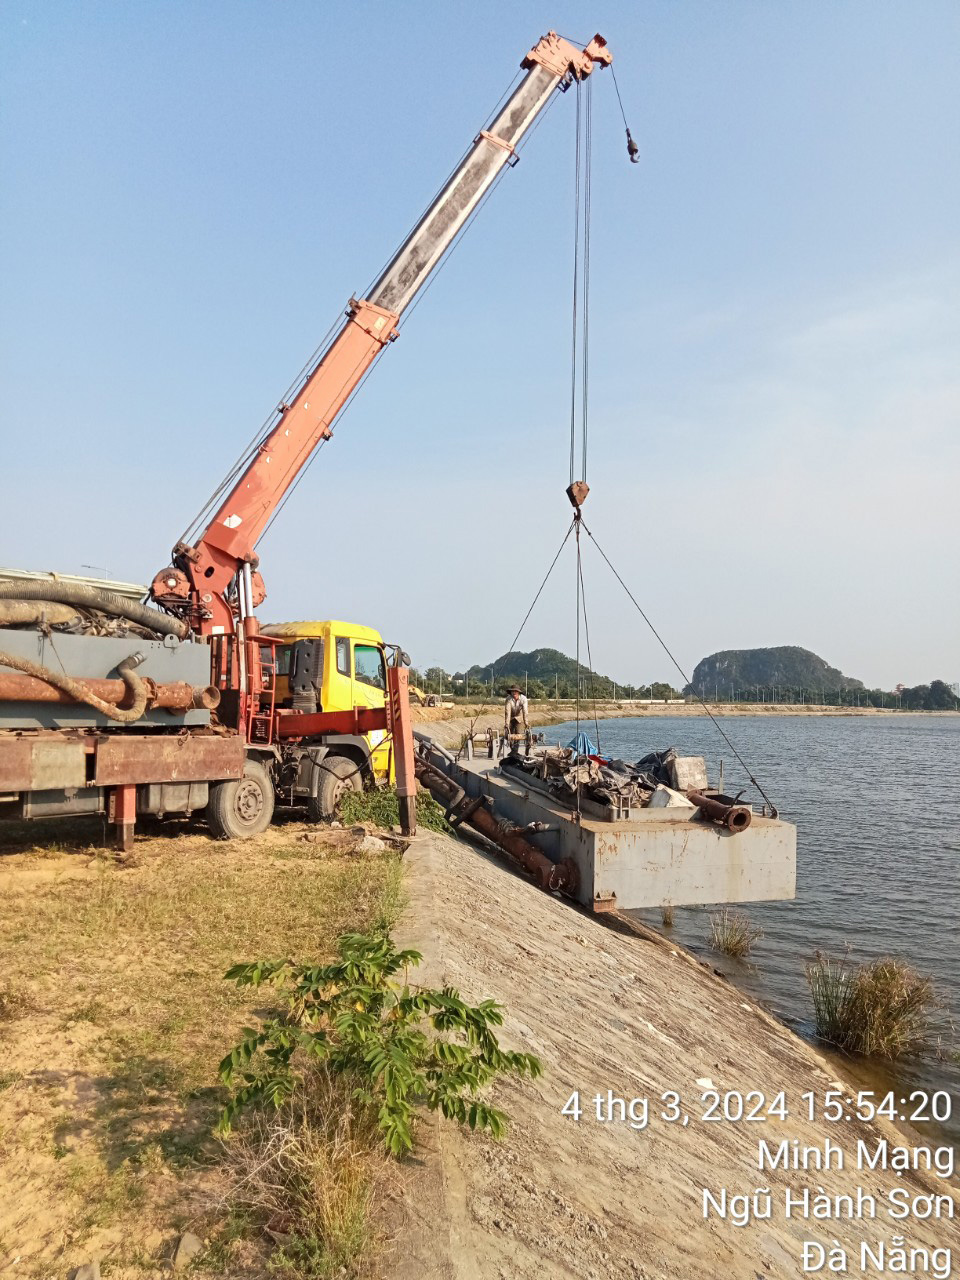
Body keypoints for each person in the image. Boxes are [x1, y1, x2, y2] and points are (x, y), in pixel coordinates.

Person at [503, 684, 529, 753]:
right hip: (511, 717)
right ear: (510, 692)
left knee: (518, 733)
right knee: (510, 734)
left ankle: (516, 750)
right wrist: (507, 724)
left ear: (518, 692)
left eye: (515, 691)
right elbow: (507, 712)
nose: (514, 693)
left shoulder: (524, 699)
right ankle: (512, 748)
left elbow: (525, 711)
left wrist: (526, 723)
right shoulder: (508, 699)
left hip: (519, 717)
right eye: (512, 691)